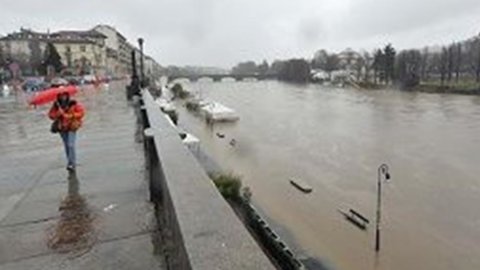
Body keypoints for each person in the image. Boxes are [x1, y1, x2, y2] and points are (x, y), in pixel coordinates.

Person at [48, 91, 85, 171]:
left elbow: (81, 113)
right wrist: (57, 114)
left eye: (64, 95)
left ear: (67, 95)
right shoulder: (56, 105)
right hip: (62, 128)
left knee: (71, 145)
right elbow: (51, 115)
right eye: (61, 95)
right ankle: (70, 162)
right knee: (67, 146)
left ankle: (72, 163)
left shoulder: (73, 103)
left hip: (72, 127)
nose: (63, 97)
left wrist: (69, 116)